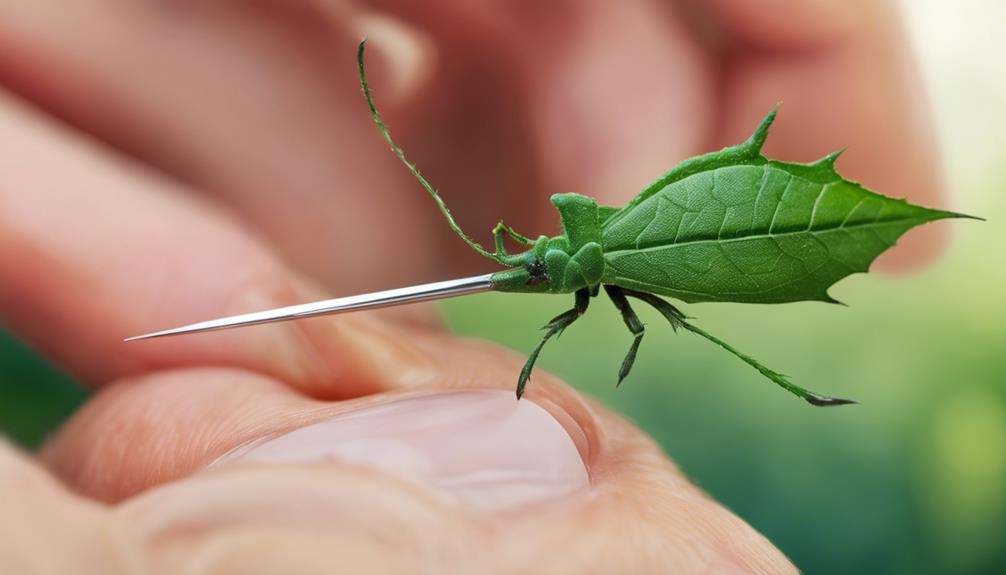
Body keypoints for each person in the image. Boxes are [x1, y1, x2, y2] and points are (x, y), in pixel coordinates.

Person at [0, 1, 945, 572]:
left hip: (720, 228)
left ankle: (809, 355)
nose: (521, 273)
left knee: (695, 322)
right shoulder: (591, 235)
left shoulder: (612, 247)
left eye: (530, 266)